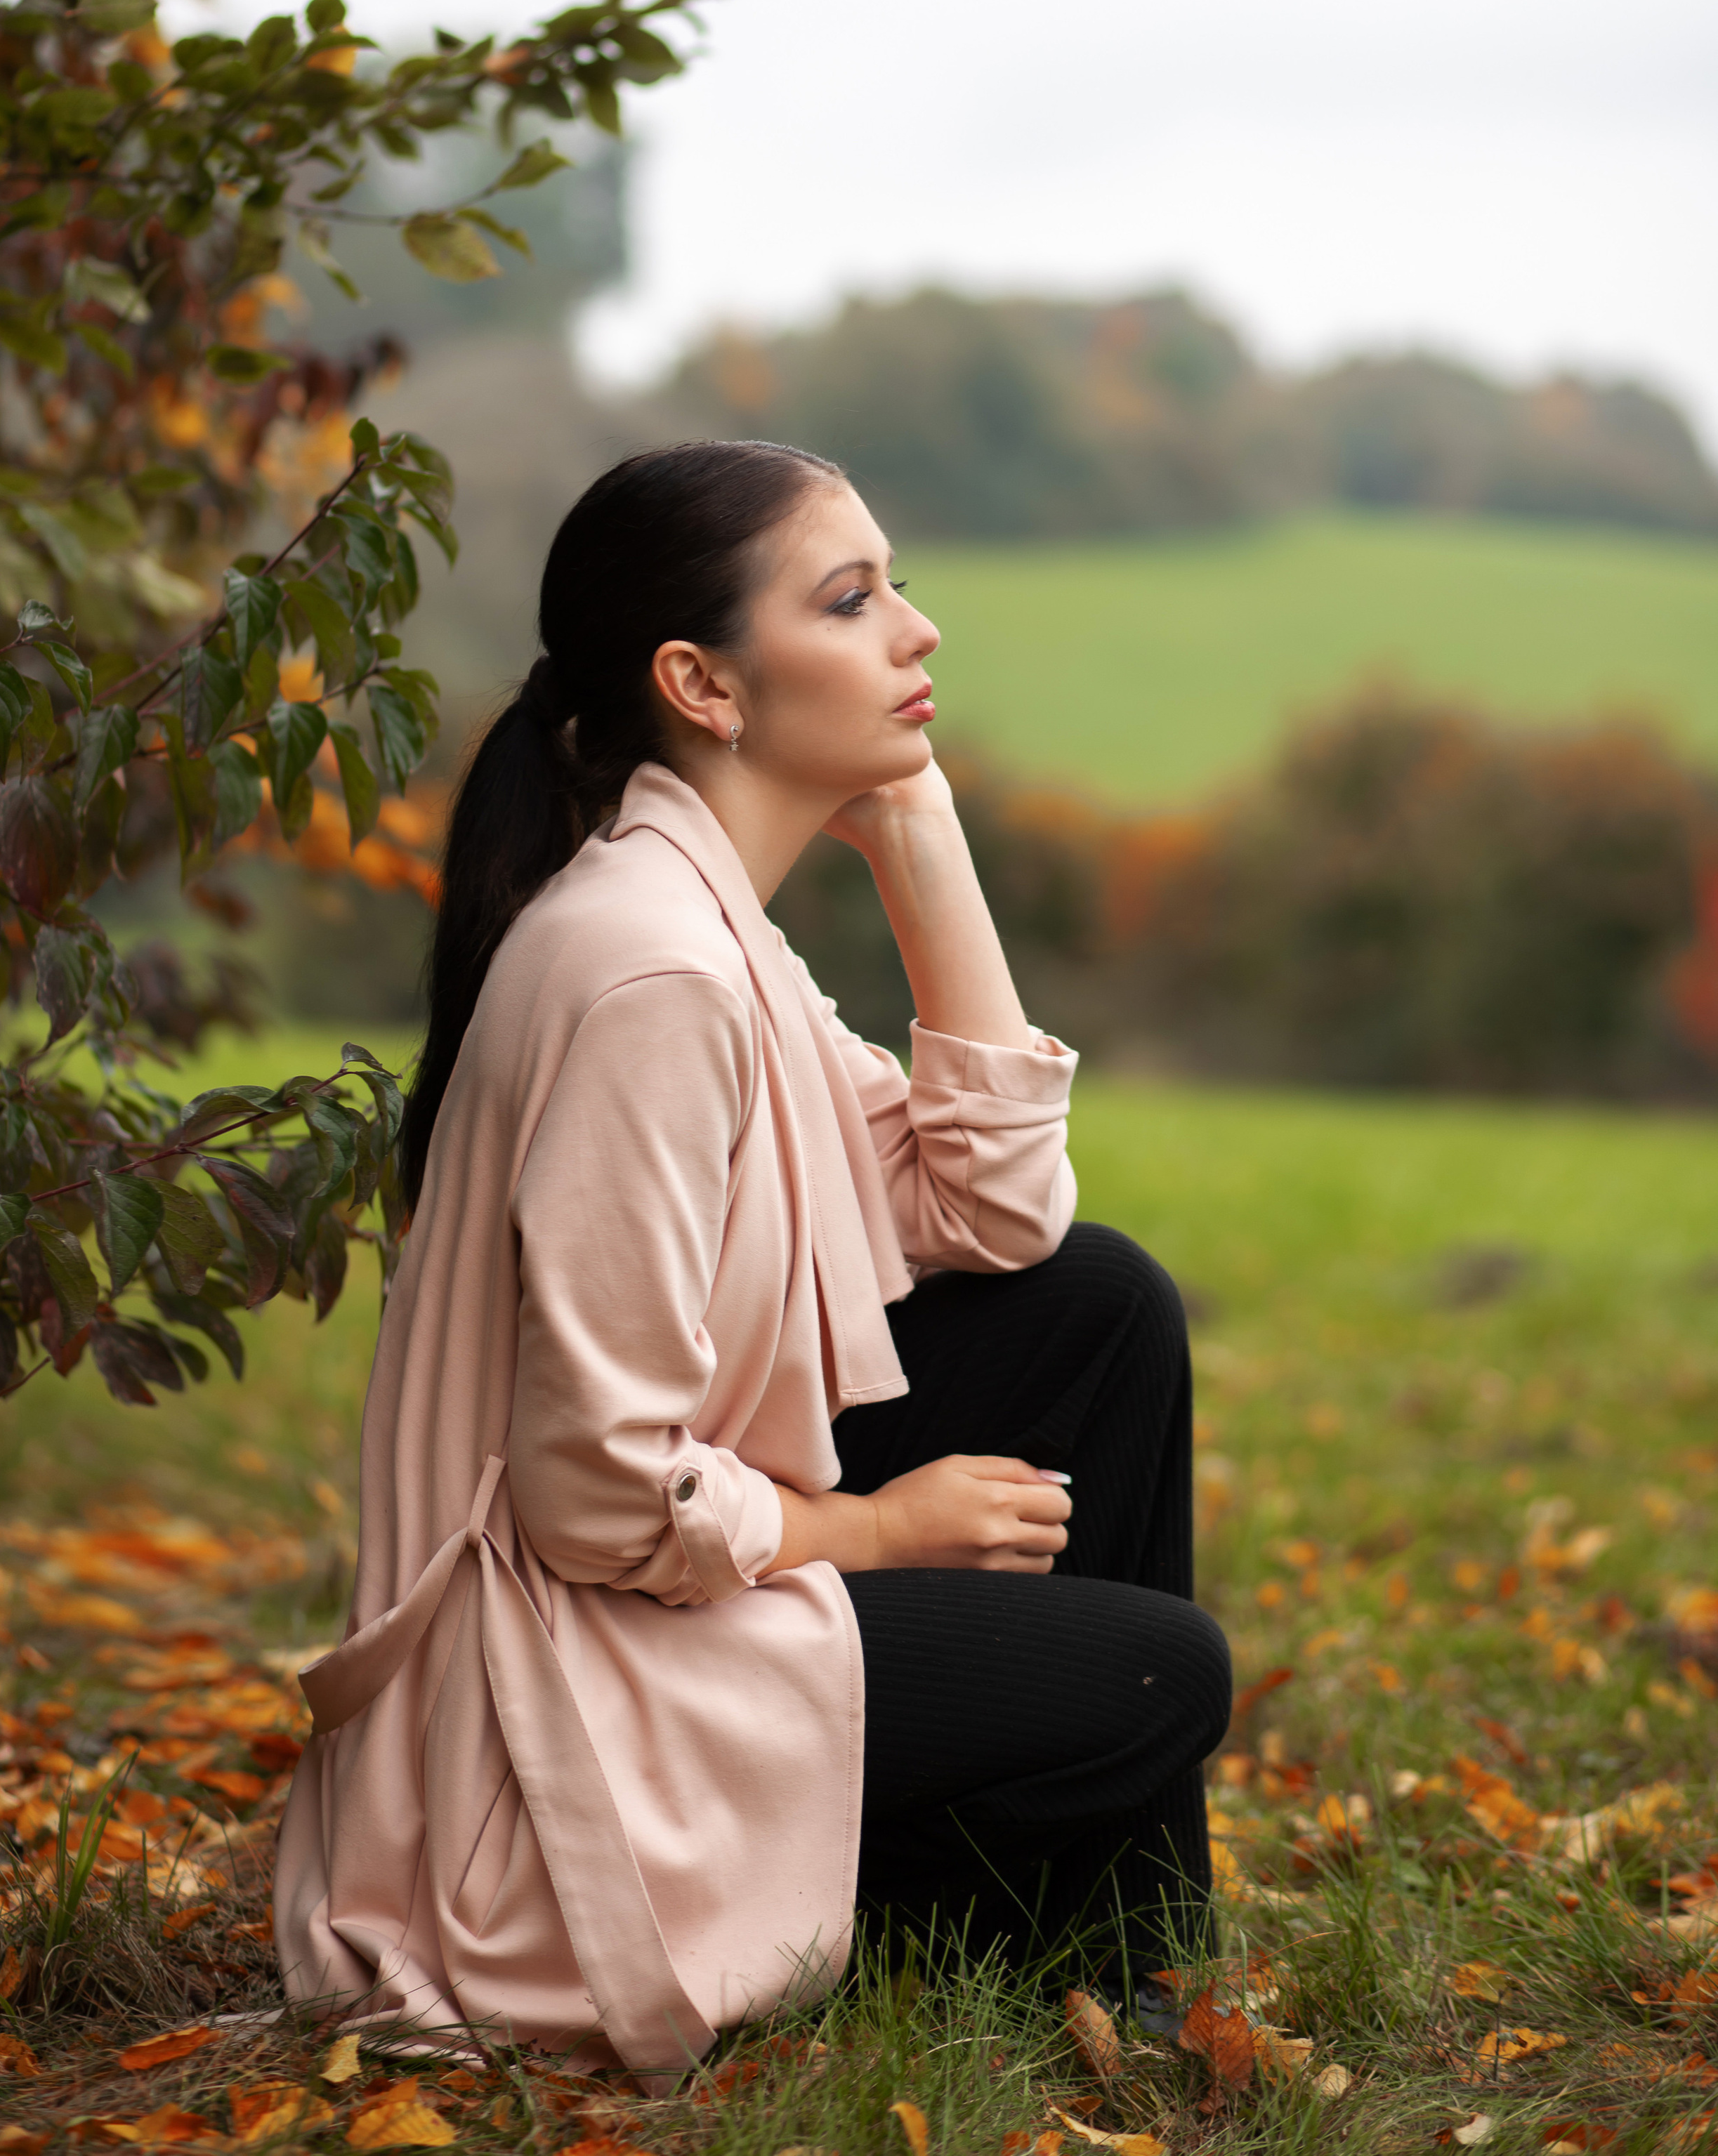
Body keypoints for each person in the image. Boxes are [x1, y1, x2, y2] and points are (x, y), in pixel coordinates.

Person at [275, 440, 1230, 2082]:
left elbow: (998, 1217)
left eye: (895, 586)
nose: (914, 632)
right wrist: (868, 1529)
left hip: (643, 1593)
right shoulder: (652, 975)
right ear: (701, 683)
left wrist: (920, 839)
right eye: (851, 601)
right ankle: (998, 1918)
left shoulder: (706, 921)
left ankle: (1094, 1942)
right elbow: (592, 1497)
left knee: (1102, 1309)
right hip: (557, 1706)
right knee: (1160, 1669)